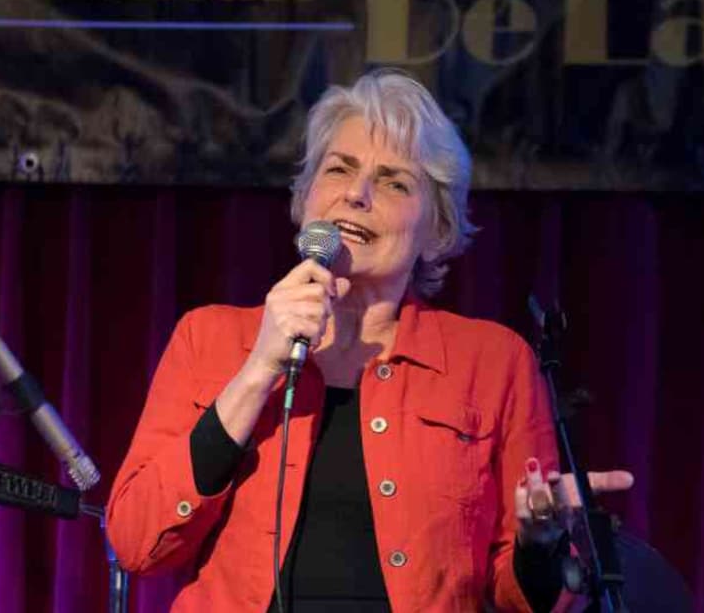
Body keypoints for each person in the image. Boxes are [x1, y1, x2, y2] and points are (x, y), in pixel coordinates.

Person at [106, 69, 633, 612]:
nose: (357, 194)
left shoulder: (494, 363)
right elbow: (135, 543)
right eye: (339, 169)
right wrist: (258, 369)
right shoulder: (209, 339)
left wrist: (540, 545)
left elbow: (530, 601)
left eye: (394, 182)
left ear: (438, 230)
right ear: (306, 198)